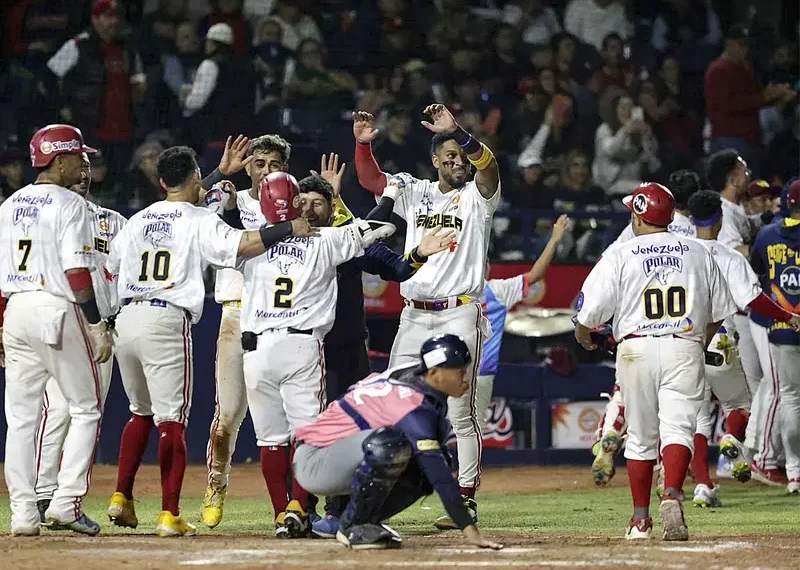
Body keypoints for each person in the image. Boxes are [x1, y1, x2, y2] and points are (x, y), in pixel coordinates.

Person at [104, 146, 317, 537]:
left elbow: (111, 265)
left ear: (162, 181)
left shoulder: (138, 219)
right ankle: (169, 513)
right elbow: (243, 246)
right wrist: (289, 228)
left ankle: (122, 496)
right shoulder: (200, 218)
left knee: (139, 413)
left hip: (126, 318)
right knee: (172, 422)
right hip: (166, 317)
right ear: (196, 177)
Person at [281, 156, 455, 538]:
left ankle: (339, 512)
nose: (309, 210)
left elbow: (397, 268)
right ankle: (295, 509)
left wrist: (420, 253)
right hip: (302, 347)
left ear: (332, 208)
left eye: (318, 203)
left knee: (355, 428)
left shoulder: (347, 238)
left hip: (347, 347)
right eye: (302, 203)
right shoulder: (282, 240)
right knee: (302, 428)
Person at [352, 103, 501, 525]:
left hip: (459, 310)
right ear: (435, 160)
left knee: (459, 410)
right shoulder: (414, 190)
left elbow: (488, 169)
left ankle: (466, 496)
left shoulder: (477, 196)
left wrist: (462, 133)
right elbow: (370, 180)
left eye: (462, 156)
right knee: (392, 403)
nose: (457, 162)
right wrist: (364, 147)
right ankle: (379, 495)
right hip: (415, 313)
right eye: (448, 156)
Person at [237, 172, 399, 538]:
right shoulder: (324, 238)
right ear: (295, 202)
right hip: (300, 345)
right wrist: (389, 192)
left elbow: (220, 229)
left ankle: (283, 515)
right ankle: (299, 506)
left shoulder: (246, 241)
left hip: (256, 348)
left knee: (269, 440)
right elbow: (378, 226)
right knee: (309, 434)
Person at [574, 182, 737, 540]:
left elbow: (585, 317)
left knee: (641, 439)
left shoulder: (620, 253)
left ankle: (639, 521)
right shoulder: (699, 251)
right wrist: (699, 342)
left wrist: (585, 339)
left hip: (636, 350)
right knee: (678, 429)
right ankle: (674, 494)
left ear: (638, 214)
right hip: (685, 345)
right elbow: (720, 310)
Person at [0, 124, 112, 536]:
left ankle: (24, 516)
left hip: (15, 309)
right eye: (79, 157)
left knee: (22, 420)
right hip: (56, 306)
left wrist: (0, 323)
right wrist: (97, 323)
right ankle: (65, 502)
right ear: (59, 160)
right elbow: (77, 271)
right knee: (85, 408)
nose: (84, 163)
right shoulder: (71, 204)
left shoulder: (8, 204)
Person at [293, 334, 503, 551]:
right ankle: (352, 525)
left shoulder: (415, 378)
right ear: (435, 373)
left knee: (427, 464)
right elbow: (439, 474)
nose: (465, 378)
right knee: (394, 446)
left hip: (344, 452)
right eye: (459, 372)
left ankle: (365, 521)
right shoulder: (412, 404)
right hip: (314, 459)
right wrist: (470, 531)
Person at [434, 215, 568, 531]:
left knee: (466, 430)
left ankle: (465, 500)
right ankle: (446, 492)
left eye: (480, 262)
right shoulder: (444, 290)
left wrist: (555, 239)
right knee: (439, 431)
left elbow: (535, 276)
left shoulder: (497, 290)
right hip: (443, 371)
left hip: (479, 374)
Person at [197, 133, 287, 529]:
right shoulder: (229, 196)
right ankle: (216, 486)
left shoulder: (293, 203)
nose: (267, 171)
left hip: (282, 319)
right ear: (248, 166)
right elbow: (186, 203)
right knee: (228, 415)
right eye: (260, 164)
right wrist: (220, 172)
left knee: (286, 419)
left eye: (274, 165)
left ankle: (290, 501)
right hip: (236, 314)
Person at [687, 190, 800, 504]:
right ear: (720, 220)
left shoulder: (680, 251)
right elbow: (754, 299)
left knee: (697, 418)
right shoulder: (729, 256)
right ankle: (730, 439)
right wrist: (788, 316)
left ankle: (702, 486)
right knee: (739, 407)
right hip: (721, 337)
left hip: (683, 341)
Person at [34, 150, 127, 523]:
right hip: (60, 320)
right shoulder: (44, 215)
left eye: (89, 168)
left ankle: (62, 498)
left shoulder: (113, 221)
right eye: (79, 166)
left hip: (103, 325)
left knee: (87, 412)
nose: (84, 173)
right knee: (58, 409)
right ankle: (44, 493)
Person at [46, 0, 146, 190]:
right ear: (95, 19)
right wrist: (62, 106)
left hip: (124, 127)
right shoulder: (78, 45)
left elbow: (138, 82)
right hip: (91, 125)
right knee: (92, 180)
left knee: (118, 179)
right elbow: (50, 75)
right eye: (108, 17)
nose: (114, 22)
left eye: (116, 17)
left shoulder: (127, 48)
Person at [750, 179, 800, 493]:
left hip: (783, 325)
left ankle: (794, 471)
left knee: (791, 398)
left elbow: (757, 272)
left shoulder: (768, 235)